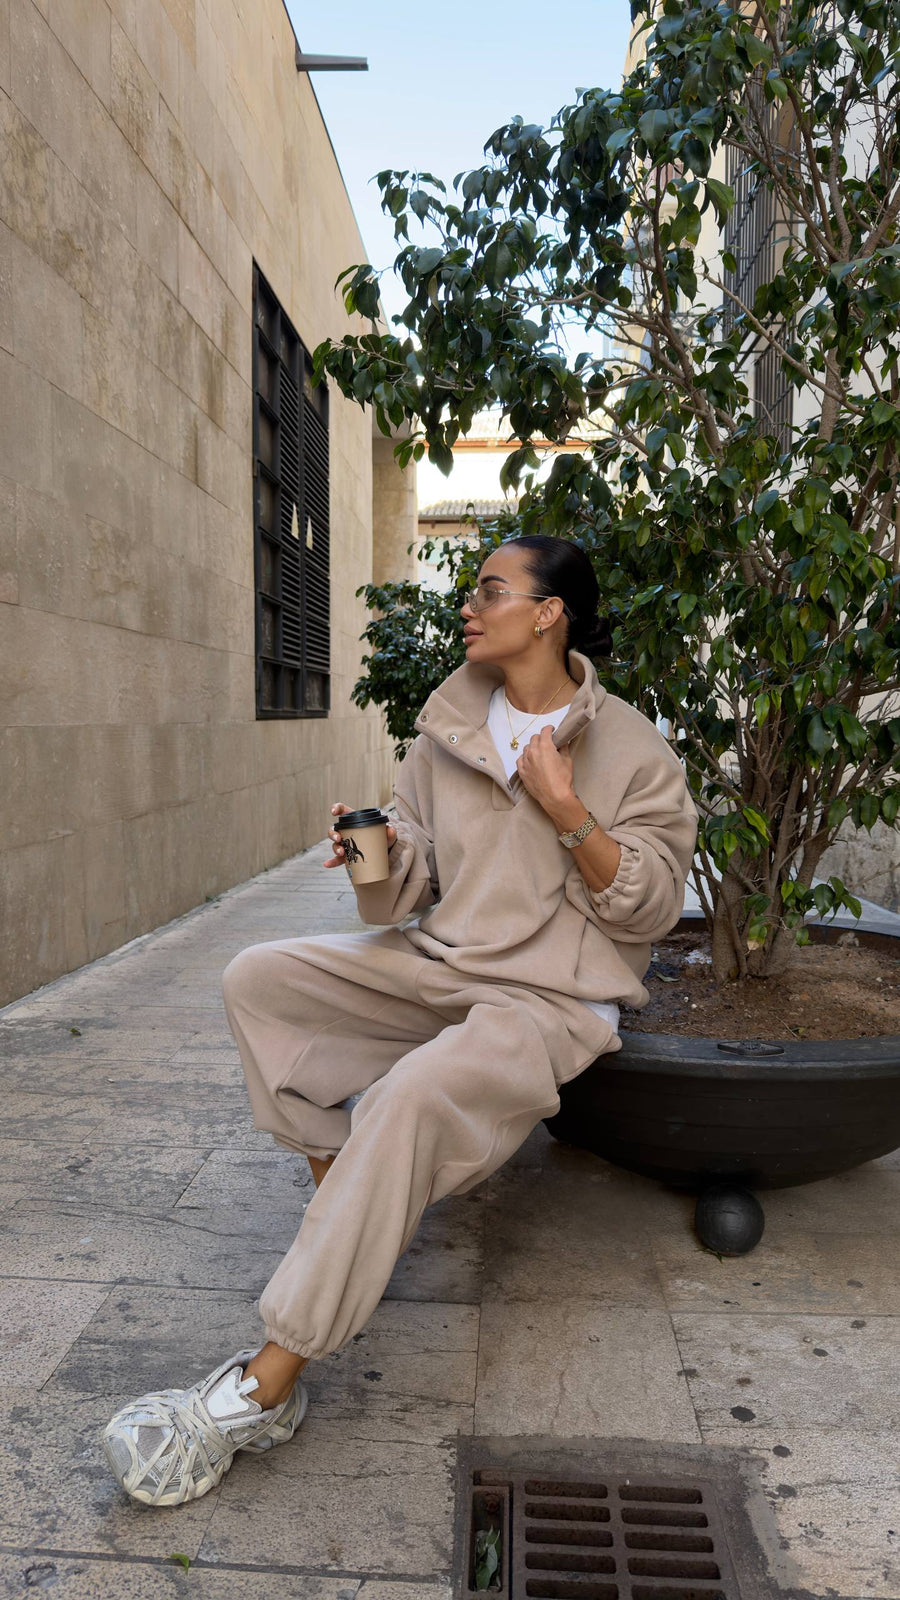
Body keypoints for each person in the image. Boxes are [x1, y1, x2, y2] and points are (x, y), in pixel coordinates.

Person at [101, 534, 698, 1507]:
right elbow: (408, 883)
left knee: (411, 1096)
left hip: (547, 997)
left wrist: (567, 809)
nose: (470, 606)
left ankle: (266, 1386)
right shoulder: (450, 724)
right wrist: (374, 849)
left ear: (549, 613)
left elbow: (652, 909)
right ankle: (349, 1211)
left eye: (491, 590)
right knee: (261, 977)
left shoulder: (632, 748)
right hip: (443, 963)